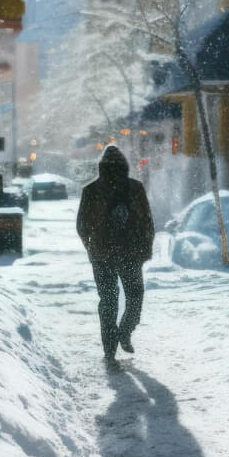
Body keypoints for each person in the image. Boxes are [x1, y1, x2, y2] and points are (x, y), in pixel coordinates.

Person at [78, 146, 155, 366]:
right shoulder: (135, 188)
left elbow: (81, 226)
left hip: (104, 255)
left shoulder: (91, 190)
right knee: (134, 296)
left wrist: (91, 247)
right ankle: (124, 332)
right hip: (130, 254)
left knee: (109, 301)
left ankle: (110, 347)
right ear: (125, 166)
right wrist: (145, 249)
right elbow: (147, 222)